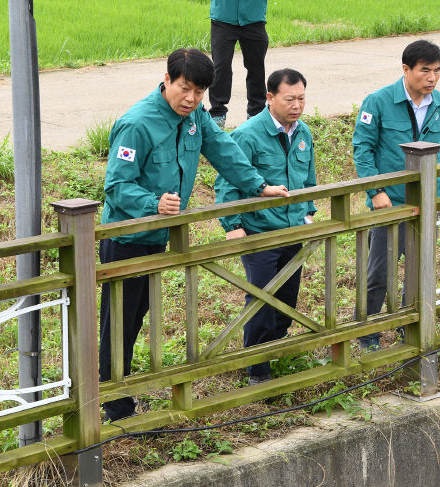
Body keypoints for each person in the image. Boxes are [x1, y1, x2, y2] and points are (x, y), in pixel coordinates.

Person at [100, 48, 289, 422]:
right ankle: (112, 404)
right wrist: (153, 203)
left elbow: (222, 149)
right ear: (167, 80)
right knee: (118, 323)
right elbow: (116, 186)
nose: (191, 99)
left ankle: (123, 391)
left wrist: (258, 185)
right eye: (185, 89)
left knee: (137, 318)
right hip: (126, 240)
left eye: (200, 92)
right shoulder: (137, 124)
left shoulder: (195, 118)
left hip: (158, 236)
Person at [352, 40, 440, 351]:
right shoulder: (379, 102)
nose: (432, 78)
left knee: (419, 270)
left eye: (437, 72)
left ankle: (409, 329)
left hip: (428, 202)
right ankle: (369, 334)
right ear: (406, 69)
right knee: (379, 273)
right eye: (425, 71)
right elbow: (363, 150)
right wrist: (376, 191)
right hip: (392, 202)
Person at [215, 68, 316, 385]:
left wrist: (309, 211)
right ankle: (257, 366)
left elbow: (308, 178)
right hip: (259, 230)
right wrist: (232, 224)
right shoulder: (247, 135)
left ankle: (274, 347)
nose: (296, 105)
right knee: (261, 296)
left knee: (288, 295)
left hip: (293, 229)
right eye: (289, 99)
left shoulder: (303, 133)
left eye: (301, 98)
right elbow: (227, 182)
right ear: (269, 98)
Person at [208, 0, 269, 128]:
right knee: (221, 66)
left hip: (254, 18)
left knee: (256, 68)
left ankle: (256, 113)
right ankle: (217, 113)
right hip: (223, 18)